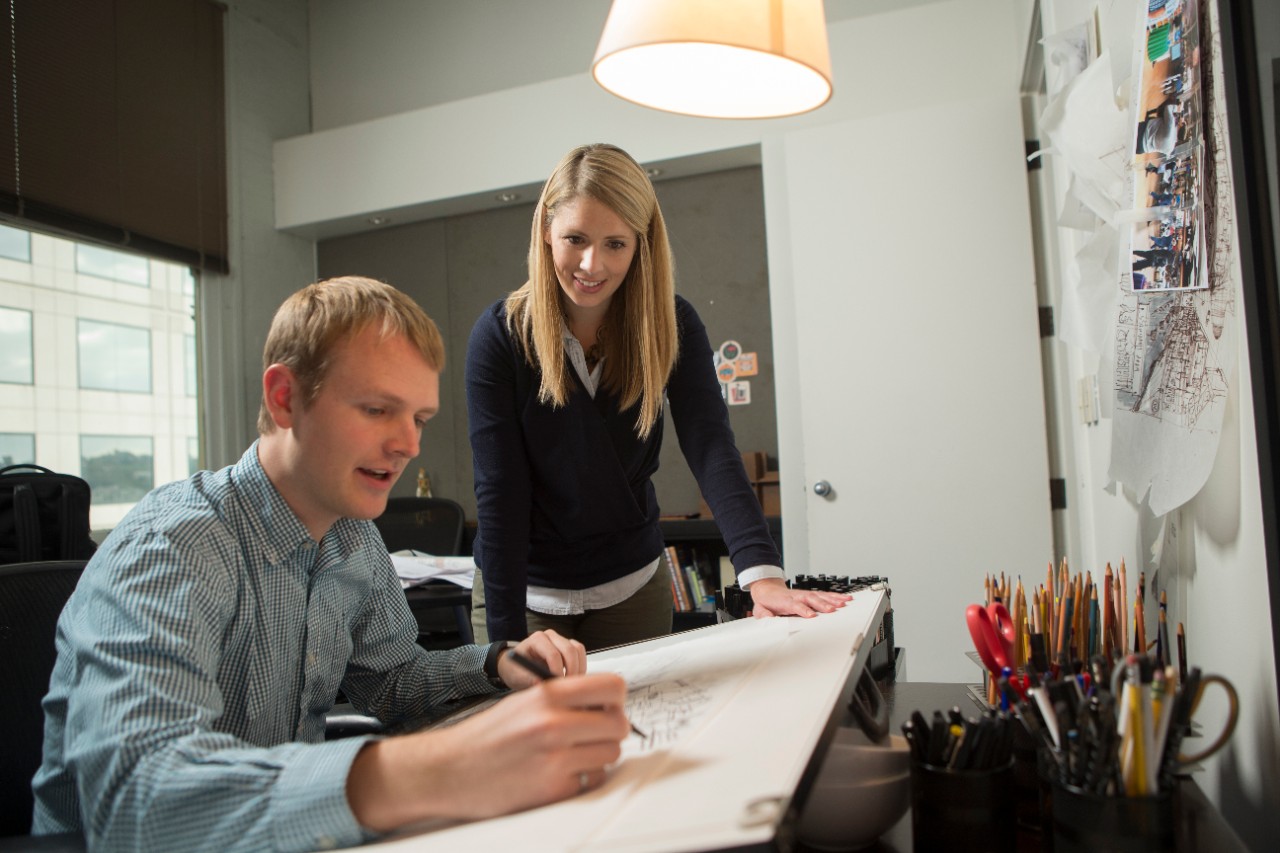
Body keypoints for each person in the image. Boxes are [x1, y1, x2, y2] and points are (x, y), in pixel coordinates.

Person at [32, 276, 629, 851]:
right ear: (285, 398)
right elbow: (135, 806)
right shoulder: (173, 547)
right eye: (376, 410)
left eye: (418, 418)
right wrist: (435, 770)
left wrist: (498, 664)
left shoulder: (353, 539)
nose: (409, 445)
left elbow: (392, 683)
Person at [465, 143, 849, 649]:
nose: (591, 263)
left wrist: (762, 575)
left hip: (632, 590)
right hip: (525, 596)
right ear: (545, 232)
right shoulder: (501, 336)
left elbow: (710, 445)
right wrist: (505, 647)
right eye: (574, 238)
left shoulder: (673, 324)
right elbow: (501, 492)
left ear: (642, 243)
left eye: (615, 244)